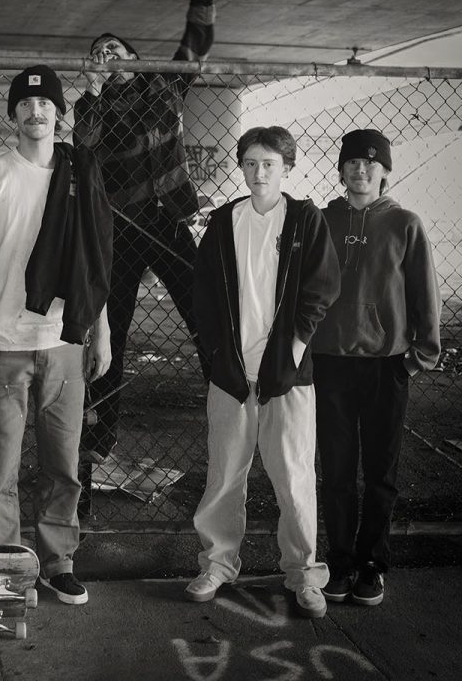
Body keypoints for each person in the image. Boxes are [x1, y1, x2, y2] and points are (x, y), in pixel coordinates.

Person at [0, 65, 113, 605]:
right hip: (3, 343)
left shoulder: (81, 172)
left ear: (58, 112)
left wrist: (102, 331)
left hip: (63, 341)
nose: (36, 111)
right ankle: (2, 572)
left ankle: (58, 562)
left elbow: (94, 263)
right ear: (13, 115)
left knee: (62, 466)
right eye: (26, 105)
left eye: (46, 103)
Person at [73, 0, 215, 463]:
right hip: (123, 230)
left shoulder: (165, 86)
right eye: (99, 53)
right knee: (113, 334)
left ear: (132, 56)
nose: (108, 54)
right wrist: (88, 94)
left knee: (205, 317)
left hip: (172, 221)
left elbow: (196, 41)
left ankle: (226, 407)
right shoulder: (97, 108)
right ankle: (101, 432)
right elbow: (82, 152)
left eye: (115, 47)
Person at [188, 126, 340, 618]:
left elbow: (320, 289)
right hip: (232, 376)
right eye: (251, 163)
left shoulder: (303, 220)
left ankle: (304, 575)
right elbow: (204, 295)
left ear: (287, 168)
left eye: (268, 164)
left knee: (294, 478)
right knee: (224, 476)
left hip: (287, 375)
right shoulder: (224, 221)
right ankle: (216, 563)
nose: (258, 173)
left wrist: (292, 351)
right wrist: (217, 354)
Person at [312, 128, 441, 607]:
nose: (360, 171)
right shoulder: (323, 219)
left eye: (370, 164)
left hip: (387, 367)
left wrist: (418, 357)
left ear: (385, 171)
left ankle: (373, 564)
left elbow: (424, 294)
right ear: (341, 169)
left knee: (380, 472)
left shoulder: (405, 223)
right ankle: (340, 561)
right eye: (351, 163)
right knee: (338, 471)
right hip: (330, 365)